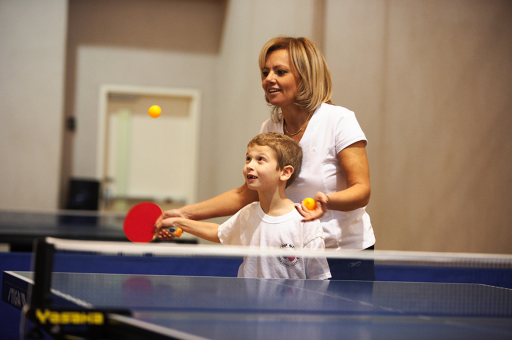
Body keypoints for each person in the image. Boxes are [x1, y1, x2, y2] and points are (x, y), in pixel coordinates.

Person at [157, 36, 375, 280]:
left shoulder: (339, 120)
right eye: (265, 72)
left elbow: (362, 190)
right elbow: (246, 193)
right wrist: (183, 215)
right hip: (288, 254)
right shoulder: (270, 128)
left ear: (305, 77)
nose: (268, 79)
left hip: (343, 253)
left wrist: (328, 201)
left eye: (280, 71)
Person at [156, 132, 331, 280]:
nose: (250, 166)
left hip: (291, 315)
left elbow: (319, 278)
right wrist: (178, 221)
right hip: (251, 311)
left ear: (285, 172)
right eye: (248, 159)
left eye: (260, 159)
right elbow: (219, 233)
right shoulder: (249, 213)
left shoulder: (305, 221)